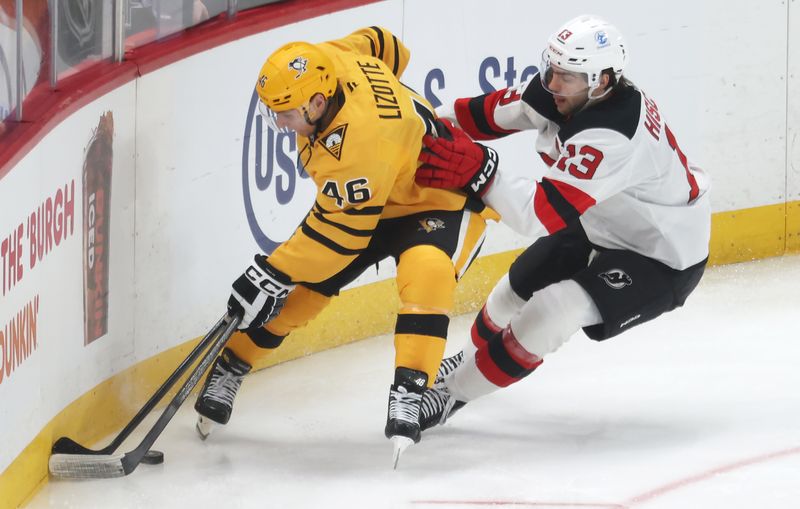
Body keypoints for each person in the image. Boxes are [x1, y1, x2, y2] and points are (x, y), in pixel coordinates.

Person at [193, 26, 489, 463]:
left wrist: (271, 271)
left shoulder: (361, 144)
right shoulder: (328, 60)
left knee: (427, 273)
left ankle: (411, 390)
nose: (280, 123)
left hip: (437, 197)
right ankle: (231, 365)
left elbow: (338, 239)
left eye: (285, 113)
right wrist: (278, 276)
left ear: (317, 102)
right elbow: (385, 43)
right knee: (299, 297)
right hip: (377, 192)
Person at [413, 15, 711, 430]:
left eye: (566, 76)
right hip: (602, 222)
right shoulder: (567, 92)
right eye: (551, 69)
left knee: (554, 310)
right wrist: (419, 125)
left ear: (602, 81)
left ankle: (451, 394)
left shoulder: (613, 135)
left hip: (662, 257)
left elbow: (536, 215)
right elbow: (486, 115)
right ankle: (466, 360)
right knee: (515, 287)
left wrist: (481, 170)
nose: (552, 84)